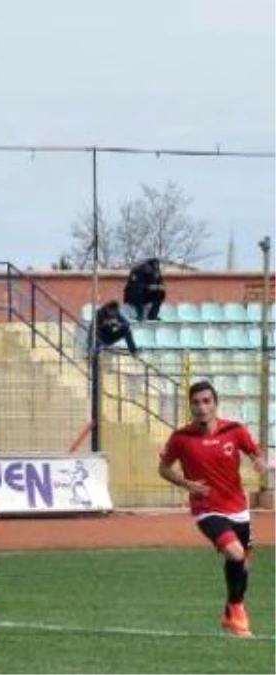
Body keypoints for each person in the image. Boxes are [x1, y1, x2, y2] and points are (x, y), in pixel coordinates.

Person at [158, 381, 264, 638]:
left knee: (242, 563)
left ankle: (229, 613)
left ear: (216, 404)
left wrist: (259, 462)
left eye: (206, 401)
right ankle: (238, 614)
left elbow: (254, 452)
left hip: (238, 507)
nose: (201, 407)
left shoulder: (235, 430)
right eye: (196, 402)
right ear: (191, 406)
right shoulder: (181, 438)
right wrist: (186, 484)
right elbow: (164, 468)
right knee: (235, 552)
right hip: (206, 508)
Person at [124, 258, 166, 322]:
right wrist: (148, 287)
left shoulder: (156, 271)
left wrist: (159, 287)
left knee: (160, 293)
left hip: (147, 294)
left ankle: (153, 315)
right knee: (137, 292)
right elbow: (134, 285)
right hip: (134, 294)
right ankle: (140, 314)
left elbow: (160, 283)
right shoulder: (137, 270)